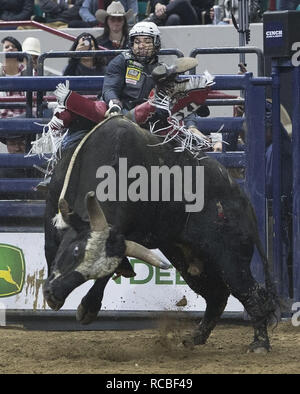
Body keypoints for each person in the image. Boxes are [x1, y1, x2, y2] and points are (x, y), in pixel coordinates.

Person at [0, 37, 26, 120]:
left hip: (25, 119)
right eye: (7, 47)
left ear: (19, 50)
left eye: (13, 46)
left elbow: (34, 104)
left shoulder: (29, 72)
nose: (10, 48)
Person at [146, 0, 213, 26]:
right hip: (168, 18)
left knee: (182, 2)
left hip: (193, 20)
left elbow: (207, 12)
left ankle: (152, 21)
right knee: (174, 19)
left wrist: (181, 7)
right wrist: (158, 4)